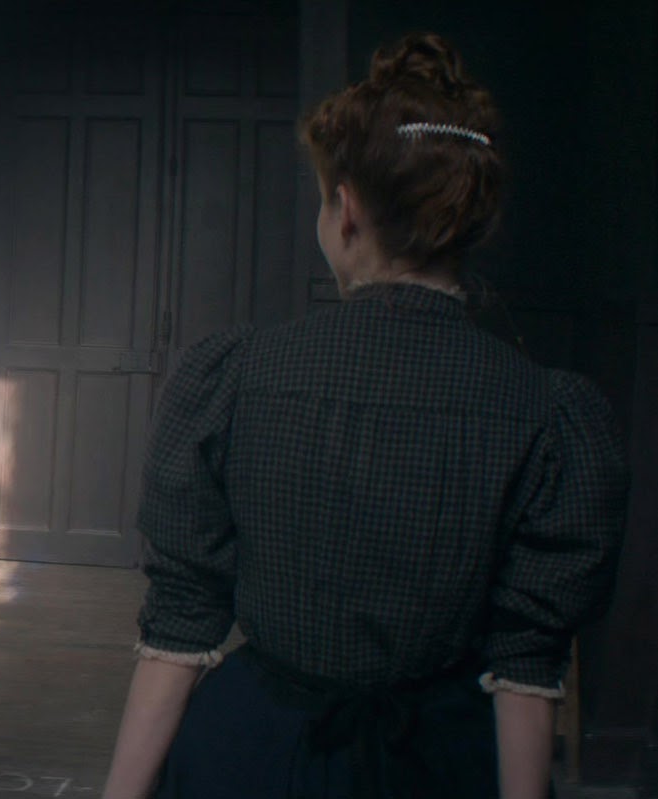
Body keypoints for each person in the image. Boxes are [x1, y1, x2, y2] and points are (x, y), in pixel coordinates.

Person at [102, 33, 630, 799]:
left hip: (249, 755)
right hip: (443, 765)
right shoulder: (545, 411)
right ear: (468, 220)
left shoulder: (234, 376)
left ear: (344, 211)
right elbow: (526, 659)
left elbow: (181, 623)